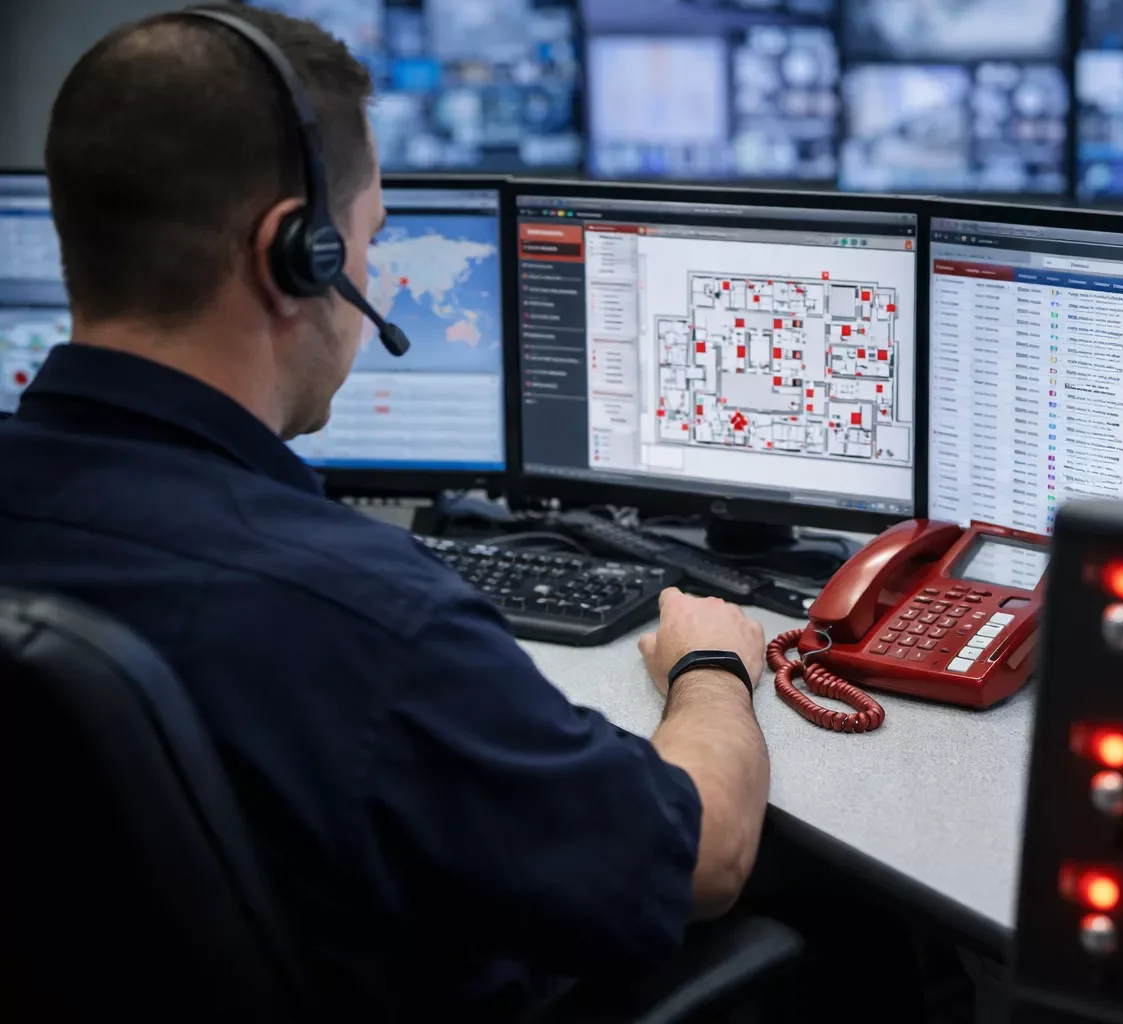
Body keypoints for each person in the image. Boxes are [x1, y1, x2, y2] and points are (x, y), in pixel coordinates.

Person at [0, 5, 769, 1020]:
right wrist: (711, 671)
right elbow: (702, 857)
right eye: (369, 238)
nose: (367, 271)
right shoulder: (364, 618)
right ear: (296, 255)